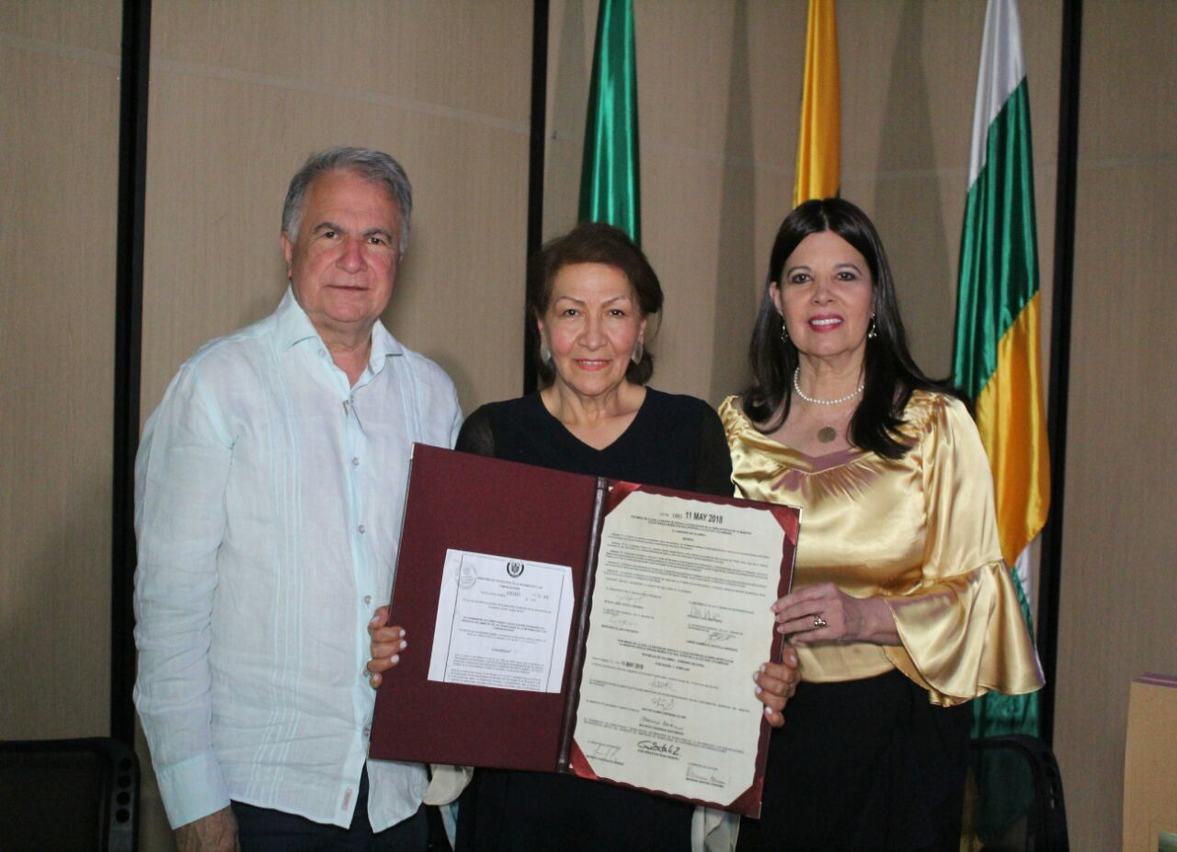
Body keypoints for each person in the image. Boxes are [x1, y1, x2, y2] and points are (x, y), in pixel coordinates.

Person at [368, 222, 799, 851]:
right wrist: (405, 641)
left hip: (649, 773)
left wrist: (769, 662)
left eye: (615, 312)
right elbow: (459, 610)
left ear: (642, 327)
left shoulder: (690, 432)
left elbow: (723, 607)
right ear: (541, 328)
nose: (593, 337)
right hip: (519, 781)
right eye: (571, 312)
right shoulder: (494, 436)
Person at [134, 147, 462, 851]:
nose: (353, 257)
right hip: (259, 797)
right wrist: (196, 807)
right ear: (288, 250)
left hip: (399, 798)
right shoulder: (216, 387)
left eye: (375, 238)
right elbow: (169, 614)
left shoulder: (434, 397)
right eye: (329, 233)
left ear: (398, 257)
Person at [720, 198, 1044, 850]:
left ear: (874, 296)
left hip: (901, 726)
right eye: (799, 276)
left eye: (845, 274)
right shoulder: (731, 430)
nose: (822, 294)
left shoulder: (933, 424)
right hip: (770, 726)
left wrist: (863, 616)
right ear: (775, 300)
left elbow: (979, 595)